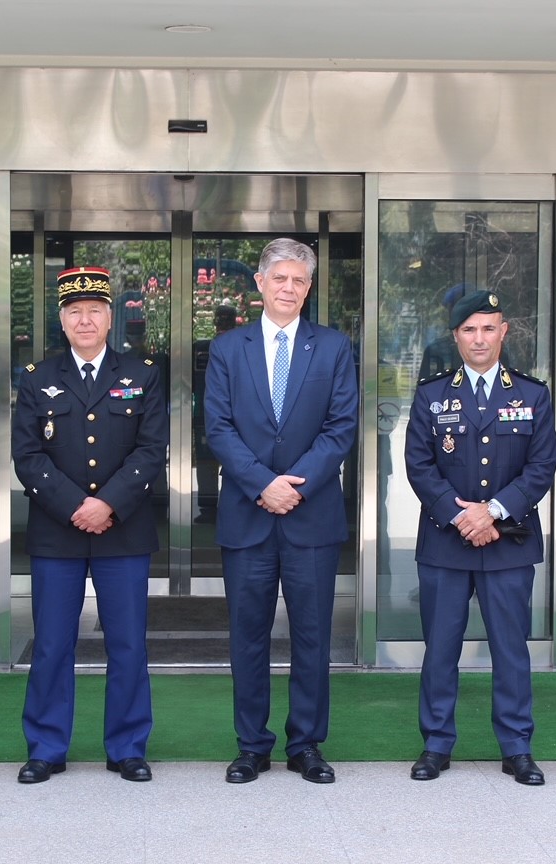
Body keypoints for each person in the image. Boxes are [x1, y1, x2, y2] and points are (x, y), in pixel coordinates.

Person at [204, 238, 358, 784]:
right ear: (260, 285)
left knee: (312, 635)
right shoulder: (227, 349)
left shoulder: (334, 348)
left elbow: (341, 427)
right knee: (248, 636)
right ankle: (252, 745)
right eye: (279, 279)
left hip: (310, 516)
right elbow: (218, 428)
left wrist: (295, 486)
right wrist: (261, 484)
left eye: (299, 280)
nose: (288, 288)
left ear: (308, 287)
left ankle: (307, 744)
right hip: (248, 517)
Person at [11, 266, 169, 784]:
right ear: (62, 320)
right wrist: (76, 505)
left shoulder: (143, 373)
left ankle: (127, 747)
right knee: (52, 643)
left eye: (95, 311)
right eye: (75, 311)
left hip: (123, 528)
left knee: (127, 643)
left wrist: (109, 505)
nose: (85, 319)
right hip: (58, 531)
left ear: (110, 319)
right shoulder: (37, 378)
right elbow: (28, 456)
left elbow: (151, 451)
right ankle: (46, 747)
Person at [403, 291, 556, 784]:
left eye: (488, 328)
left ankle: (516, 746)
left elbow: (542, 466)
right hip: (446, 543)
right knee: (441, 647)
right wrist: (460, 515)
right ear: (455, 336)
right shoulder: (432, 394)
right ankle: (436, 744)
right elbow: (419, 465)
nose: (479, 338)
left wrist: (491, 512)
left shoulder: (532, 395)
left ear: (504, 331)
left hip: (507, 540)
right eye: (469, 330)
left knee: (511, 649)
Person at [192, 305, 238, 524]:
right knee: (208, 463)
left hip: (211, 414)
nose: (223, 326)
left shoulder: (243, 347)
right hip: (207, 414)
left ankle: (211, 509)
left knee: (213, 463)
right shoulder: (202, 348)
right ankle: (211, 508)